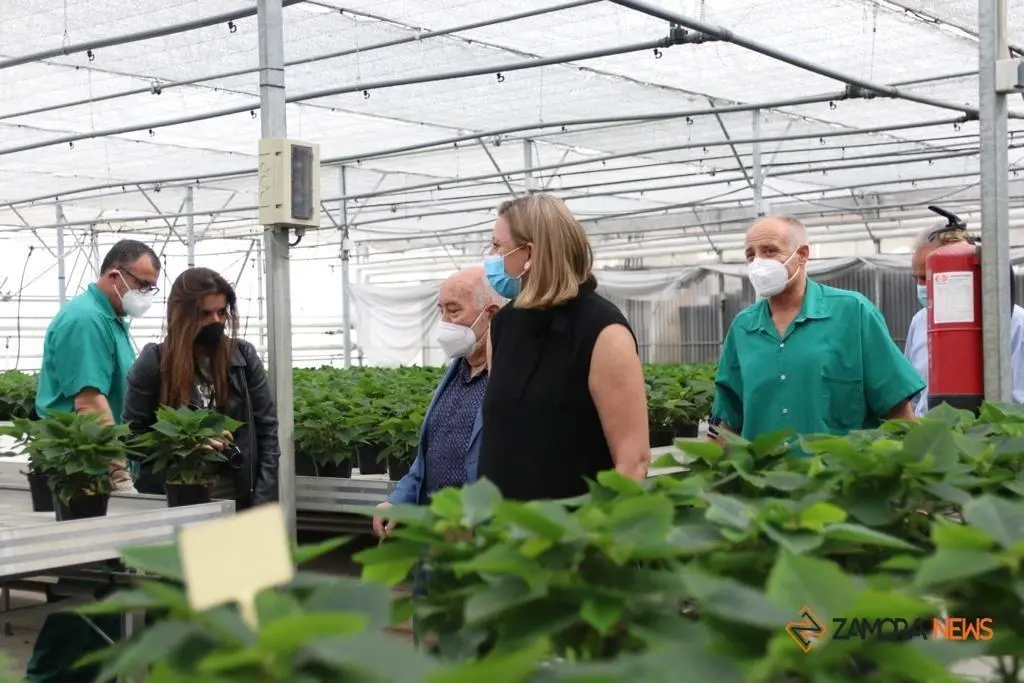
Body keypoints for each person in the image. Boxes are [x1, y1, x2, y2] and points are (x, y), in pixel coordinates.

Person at [27, 239, 161, 683]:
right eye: (143, 284)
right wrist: (118, 472)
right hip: (85, 470)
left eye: (151, 287)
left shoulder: (111, 319)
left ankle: (95, 674)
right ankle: (48, 676)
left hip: (98, 468)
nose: (146, 294)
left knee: (106, 585)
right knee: (85, 581)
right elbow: (89, 403)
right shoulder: (85, 319)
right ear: (114, 275)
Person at [477, 193, 650, 501]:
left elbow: (632, 464)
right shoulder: (503, 325)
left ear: (530, 253)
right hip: (501, 524)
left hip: (573, 526)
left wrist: (599, 529)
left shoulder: (604, 332)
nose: (490, 256)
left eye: (497, 246)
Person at [709, 215, 924, 443]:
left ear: (802, 254)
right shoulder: (743, 327)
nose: (758, 262)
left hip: (835, 466)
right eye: (751, 255)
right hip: (763, 467)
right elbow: (725, 424)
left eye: (770, 251)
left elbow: (897, 411)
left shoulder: (853, 312)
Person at [123, 266, 279, 511]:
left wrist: (263, 504)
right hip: (171, 499)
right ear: (181, 315)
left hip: (235, 499)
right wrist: (184, 446)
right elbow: (130, 439)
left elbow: (268, 434)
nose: (216, 321)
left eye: (221, 312)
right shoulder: (154, 362)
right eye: (205, 314)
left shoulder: (243, 357)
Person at [372, 266, 503, 537]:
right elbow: (429, 457)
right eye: (441, 310)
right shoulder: (455, 373)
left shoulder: (508, 381)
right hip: (435, 527)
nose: (444, 322)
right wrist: (399, 499)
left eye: (454, 311)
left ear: (491, 314)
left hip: (482, 532)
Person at [904, 219, 1024, 414]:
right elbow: (913, 395)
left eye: (926, 276)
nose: (921, 286)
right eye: (916, 278)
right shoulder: (919, 321)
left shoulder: (1014, 322)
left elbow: (1018, 403)